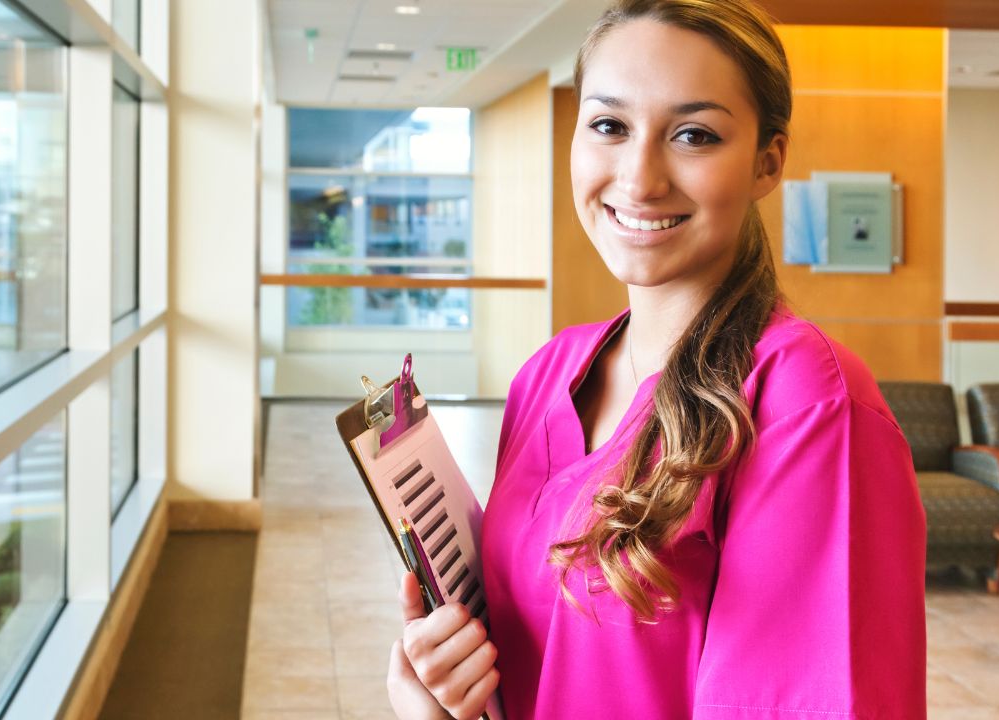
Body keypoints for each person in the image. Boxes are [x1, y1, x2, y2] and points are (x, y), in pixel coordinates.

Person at [385, 1, 927, 718]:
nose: (640, 179)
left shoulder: (803, 398)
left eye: (694, 135)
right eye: (610, 126)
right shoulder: (549, 373)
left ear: (769, 160)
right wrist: (445, 693)